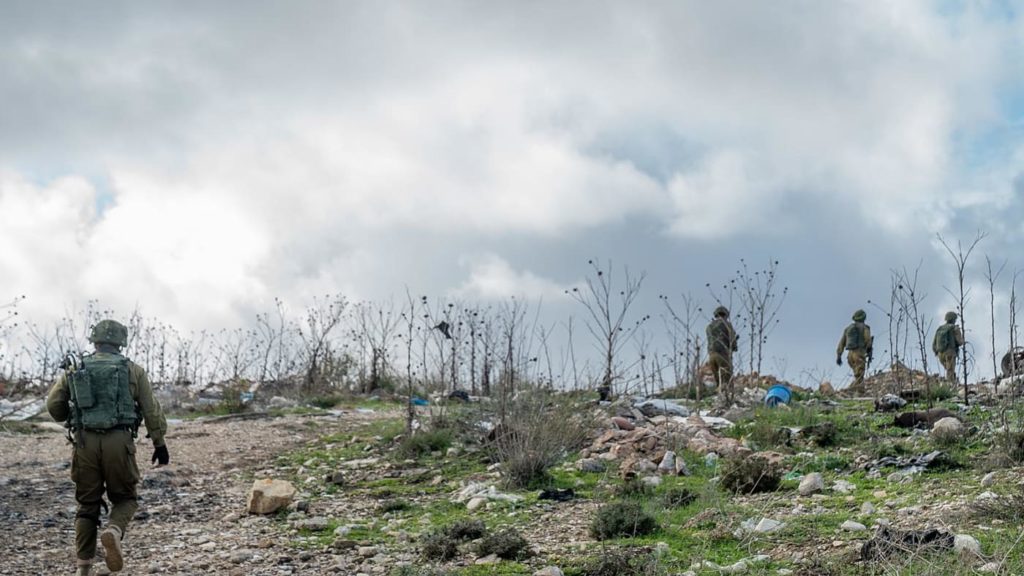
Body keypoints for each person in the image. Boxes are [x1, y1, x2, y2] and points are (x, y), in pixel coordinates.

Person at [46, 320, 168, 575]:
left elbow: (54, 407)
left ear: (94, 341)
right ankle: (113, 530)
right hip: (119, 442)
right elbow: (151, 410)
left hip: (84, 443)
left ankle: (83, 569)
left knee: (87, 505)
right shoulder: (133, 370)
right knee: (125, 498)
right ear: (121, 343)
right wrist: (159, 442)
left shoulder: (75, 369)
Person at [706, 306, 738, 399]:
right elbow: (732, 340)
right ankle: (726, 400)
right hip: (722, 354)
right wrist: (734, 347)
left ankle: (718, 397)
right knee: (726, 380)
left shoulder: (709, 326)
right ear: (726, 315)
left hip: (711, 355)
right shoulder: (727, 325)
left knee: (718, 381)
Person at [836, 309, 873, 389]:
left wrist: (839, 355)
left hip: (850, 355)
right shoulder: (865, 328)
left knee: (856, 373)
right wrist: (869, 350)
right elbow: (868, 340)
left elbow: (842, 342)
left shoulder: (848, 328)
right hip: (859, 353)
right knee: (860, 375)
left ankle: (855, 390)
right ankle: (859, 393)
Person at [933, 311, 965, 383]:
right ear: (953, 319)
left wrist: (937, 352)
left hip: (940, 353)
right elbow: (960, 342)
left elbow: (934, 343)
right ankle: (950, 388)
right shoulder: (955, 328)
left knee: (949, 370)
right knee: (950, 371)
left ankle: (951, 382)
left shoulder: (940, 328)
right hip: (950, 353)